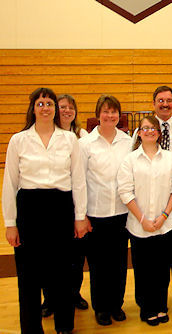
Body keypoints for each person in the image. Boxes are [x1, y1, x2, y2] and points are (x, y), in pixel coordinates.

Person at [2, 87, 88, 334]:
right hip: (30, 209)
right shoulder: (19, 140)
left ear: (55, 109)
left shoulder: (69, 139)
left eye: (49, 103)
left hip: (61, 208)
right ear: (33, 108)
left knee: (63, 272)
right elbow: (10, 183)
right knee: (28, 275)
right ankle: (31, 328)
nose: (45, 108)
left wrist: (80, 216)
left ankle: (64, 325)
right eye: (40, 104)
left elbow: (78, 180)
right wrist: (10, 222)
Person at [132, 86, 172, 307]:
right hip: (150, 194)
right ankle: (154, 296)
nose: (165, 104)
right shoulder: (142, 131)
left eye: (169, 100)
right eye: (160, 100)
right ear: (153, 104)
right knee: (155, 247)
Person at [118, 116, 172, 326]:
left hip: (166, 225)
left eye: (153, 128)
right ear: (139, 134)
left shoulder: (171, 159)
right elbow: (125, 192)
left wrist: (163, 216)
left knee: (163, 270)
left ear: (159, 133)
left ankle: (161, 306)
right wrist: (143, 219)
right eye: (145, 128)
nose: (149, 131)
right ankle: (147, 308)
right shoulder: (130, 160)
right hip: (139, 226)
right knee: (144, 270)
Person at [79, 95, 132, 326]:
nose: (110, 116)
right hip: (96, 214)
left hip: (122, 213)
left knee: (119, 263)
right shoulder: (85, 144)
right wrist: (82, 215)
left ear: (119, 116)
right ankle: (101, 307)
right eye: (105, 112)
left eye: (114, 112)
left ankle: (116, 304)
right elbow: (79, 181)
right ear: (97, 114)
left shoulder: (128, 141)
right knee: (99, 265)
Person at [41, 94, 89, 318]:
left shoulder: (82, 136)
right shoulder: (47, 136)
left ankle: (73, 293)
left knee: (76, 255)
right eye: (62, 107)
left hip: (77, 203)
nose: (67, 111)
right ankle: (50, 299)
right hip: (55, 203)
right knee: (50, 256)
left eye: (71, 107)